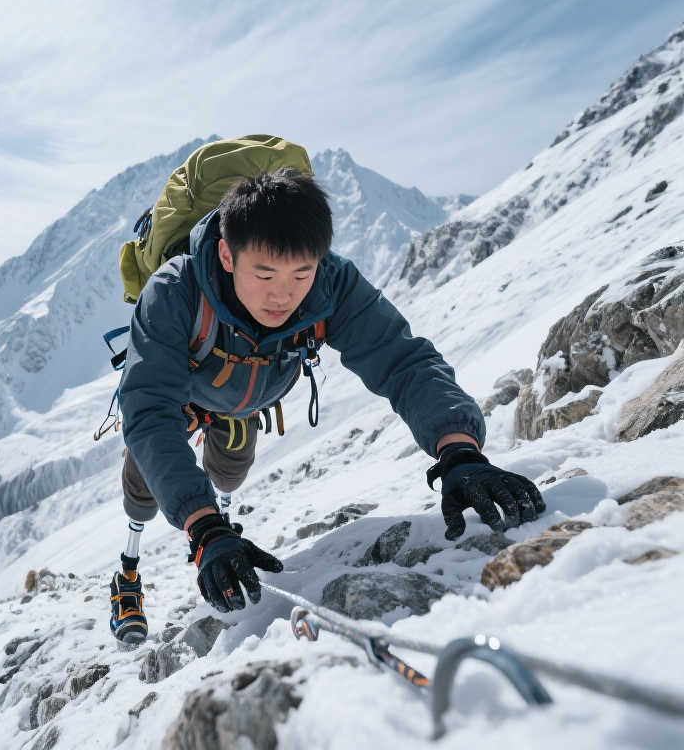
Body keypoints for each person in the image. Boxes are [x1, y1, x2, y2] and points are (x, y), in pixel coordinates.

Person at [108, 168, 546, 644]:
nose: (283, 294)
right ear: (226, 256)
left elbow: (403, 361)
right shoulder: (174, 292)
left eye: (301, 272)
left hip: (246, 402)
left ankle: (221, 514)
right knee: (145, 485)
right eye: (264, 273)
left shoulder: (332, 284)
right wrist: (203, 526)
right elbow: (150, 410)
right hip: (181, 401)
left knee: (230, 473)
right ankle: (128, 572)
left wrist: (459, 450)